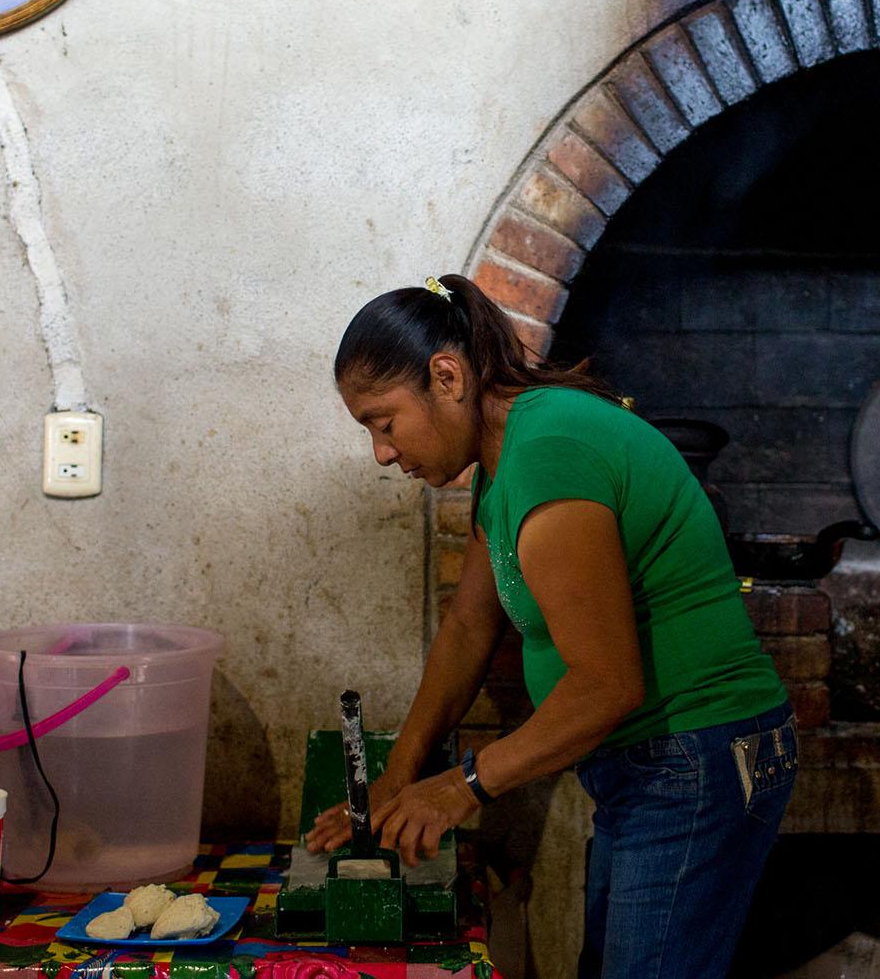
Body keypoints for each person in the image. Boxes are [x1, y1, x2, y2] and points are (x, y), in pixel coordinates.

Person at [315, 274, 797, 978]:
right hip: (652, 763)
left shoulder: (549, 449)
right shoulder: (502, 459)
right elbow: (469, 626)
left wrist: (462, 786)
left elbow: (607, 685)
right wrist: (400, 772)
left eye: (384, 423)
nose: (383, 454)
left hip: (699, 754)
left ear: (446, 376)